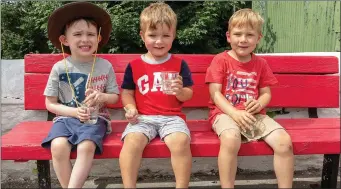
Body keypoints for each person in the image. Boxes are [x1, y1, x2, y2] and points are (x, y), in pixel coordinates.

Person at [205, 8, 294, 188]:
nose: (243, 39)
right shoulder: (220, 60)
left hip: (255, 115)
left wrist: (259, 103)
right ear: (229, 36)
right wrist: (233, 113)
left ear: (258, 38)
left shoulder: (260, 63)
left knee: (284, 143)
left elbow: (266, 93)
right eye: (238, 34)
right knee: (231, 139)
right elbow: (215, 93)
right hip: (224, 114)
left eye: (249, 35)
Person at [41, 2, 120, 188]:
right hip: (65, 119)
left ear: (98, 38)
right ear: (64, 40)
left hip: (95, 119)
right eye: (77, 34)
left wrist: (102, 97)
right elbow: (50, 104)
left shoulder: (104, 66)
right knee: (58, 146)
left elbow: (115, 97)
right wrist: (73, 113)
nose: (85, 39)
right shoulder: (59, 68)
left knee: (86, 145)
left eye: (91, 34)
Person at [119, 2, 194, 188]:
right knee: (131, 142)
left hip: (172, 117)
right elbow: (127, 93)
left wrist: (180, 91)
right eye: (152, 35)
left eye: (165, 36)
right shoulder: (135, 65)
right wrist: (130, 108)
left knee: (180, 141)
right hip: (143, 117)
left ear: (173, 36)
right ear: (142, 36)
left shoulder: (179, 64)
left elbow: (188, 94)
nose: (159, 41)